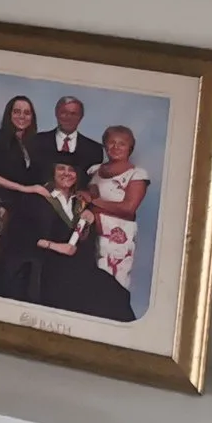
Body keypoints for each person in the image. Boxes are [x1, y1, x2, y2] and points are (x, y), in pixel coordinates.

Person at [34, 155, 136, 321]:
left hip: (78, 265)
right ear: (52, 172)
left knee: (116, 293)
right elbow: (23, 235)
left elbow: (85, 241)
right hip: (49, 264)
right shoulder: (39, 199)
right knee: (88, 297)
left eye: (71, 170)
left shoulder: (80, 203)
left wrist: (89, 221)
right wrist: (55, 246)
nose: (67, 174)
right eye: (61, 169)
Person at [0, 94, 52, 299]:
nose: (22, 116)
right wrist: (24, 189)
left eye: (27, 113)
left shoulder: (32, 143)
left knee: (9, 260)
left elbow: (37, 177)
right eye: (17, 111)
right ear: (9, 114)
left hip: (19, 210)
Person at [85, 125, 152, 305]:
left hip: (117, 237)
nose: (115, 147)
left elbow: (128, 208)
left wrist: (94, 202)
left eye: (122, 144)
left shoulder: (137, 174)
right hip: (91, 231)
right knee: (89, 281)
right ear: (105, 145)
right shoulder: (93, 170)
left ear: (130, 148)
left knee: (114, 281)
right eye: (111, 143)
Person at [42, 95, 104, 185]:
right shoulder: (36, 141)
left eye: (74, 114)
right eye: (64, 112)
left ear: (81, 117)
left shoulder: (95, 149)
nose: (68, 117)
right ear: (56, 113)